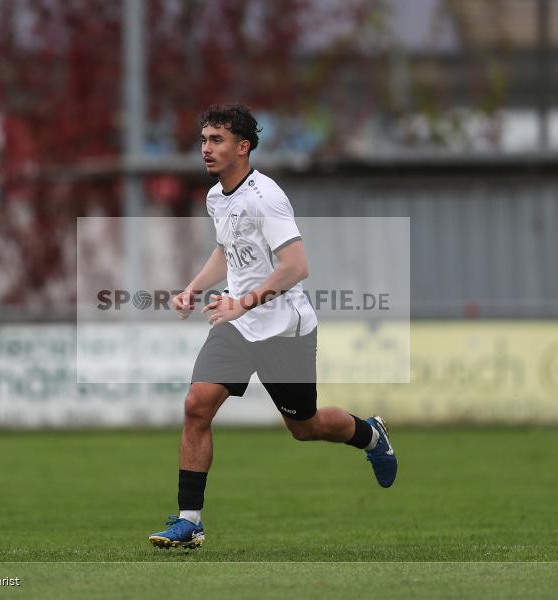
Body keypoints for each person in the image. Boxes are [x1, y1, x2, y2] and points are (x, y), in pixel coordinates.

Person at [148, 104, 397, 549]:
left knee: (306, 427)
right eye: (204, 139)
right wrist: (193, 288)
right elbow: (227, 251)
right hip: (237, 324)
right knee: (196, 406)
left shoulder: (266, 197)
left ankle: (370, 434)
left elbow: (297, 266)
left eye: (217, 140)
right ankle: (190, 522)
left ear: (243, 147)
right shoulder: (215, 197)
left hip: (284, 328)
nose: (206, 148)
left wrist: (242, 302)